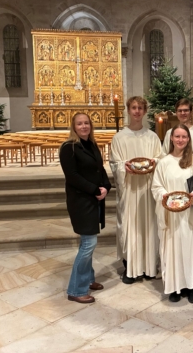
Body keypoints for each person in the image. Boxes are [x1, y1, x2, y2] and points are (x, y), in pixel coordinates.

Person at [152, 124, 193, 303]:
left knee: (190, 249)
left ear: (188, 139)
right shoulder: (164, 162)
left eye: (184, 137)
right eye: (177, 136)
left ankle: (192, 287)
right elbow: (156, 186)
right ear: (171, 138)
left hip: (189, 215)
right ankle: (175, 287)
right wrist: (165, 196)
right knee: (173, 250)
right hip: (171, 215)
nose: (180, 140)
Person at [59, 113, 111, 304]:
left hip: (93, 199)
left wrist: (107, 186)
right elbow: (72, 176)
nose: (83, 126)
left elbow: (100, 169)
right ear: (74, 127)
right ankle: (76, 290)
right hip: (81, 202)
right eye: (79, 124)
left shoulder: (92, 144)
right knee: (89, 244)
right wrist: (95, 189)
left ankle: (88, 279)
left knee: (87, 243)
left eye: (86, 123)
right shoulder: (69, 148)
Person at [110, 96, 162, 284]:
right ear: (128, 110)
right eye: (134, 108)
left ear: (145, 111)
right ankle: (130, 267)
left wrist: (153, 163)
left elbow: (161, 159)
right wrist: (125, 166)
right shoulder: (119, 137)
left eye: (140, 108)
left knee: (148, 226)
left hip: (147, 190)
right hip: (130, 189)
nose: (137, 111)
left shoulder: (152, 137)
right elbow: (114, 163)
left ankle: (149, 267)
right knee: (129, 226)